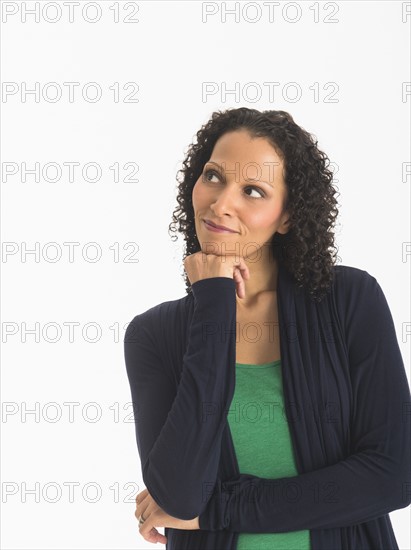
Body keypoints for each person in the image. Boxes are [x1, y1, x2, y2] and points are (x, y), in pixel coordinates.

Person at [124, 107, 411, 549]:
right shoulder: (154, 335)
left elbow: (392, 475)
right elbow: (181, 497)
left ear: (288, 216)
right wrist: (214, 304)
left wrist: (218, 511)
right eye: (213, 176)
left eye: (253, 190)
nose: (221, 204)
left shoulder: (349, 301)